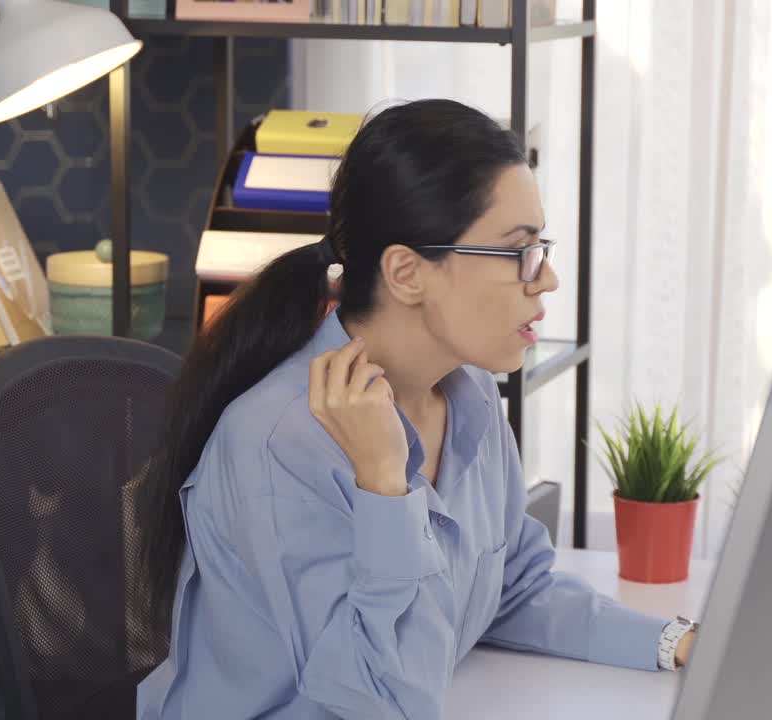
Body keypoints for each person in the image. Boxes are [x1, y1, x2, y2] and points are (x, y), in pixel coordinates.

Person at [136, 99, 697, 719]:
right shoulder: (280, 446)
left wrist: (676, 642)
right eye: (519, 253)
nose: (547, 280)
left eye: (542, 247)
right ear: (406, 273)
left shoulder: (471, 396)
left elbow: (514, 587)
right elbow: (380, 705)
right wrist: (385, 490)